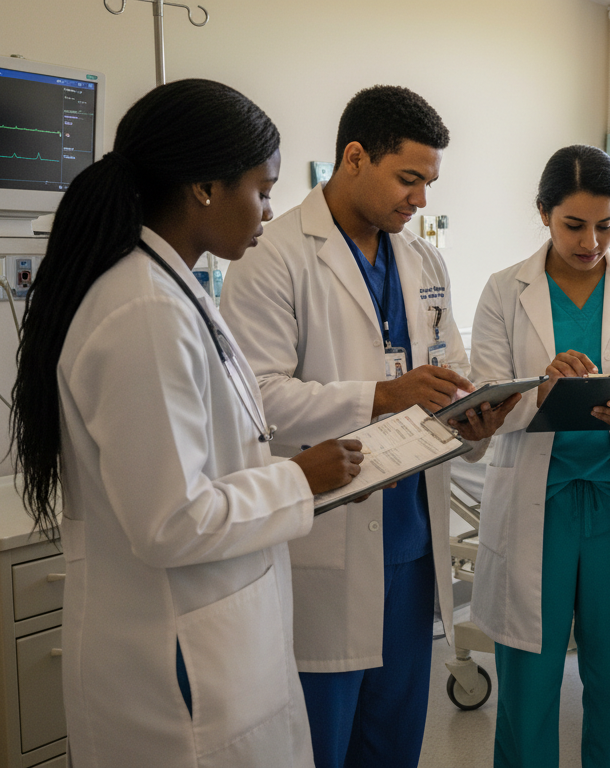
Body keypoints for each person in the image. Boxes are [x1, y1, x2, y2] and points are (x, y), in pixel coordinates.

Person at [9, 79, 368, 768]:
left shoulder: (175, 290)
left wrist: (296, 478)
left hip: (213, 640)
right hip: (175, 666)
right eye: (261, 191)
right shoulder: (144, 311)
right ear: (204, 187)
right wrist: (298, 478)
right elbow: (172, 520)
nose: (268, 211)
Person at [218, 85, 516, 768]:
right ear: (354, 158)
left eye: (428, 183)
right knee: (322, 737)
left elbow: (450, 371)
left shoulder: (423, 260)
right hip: (324, 535)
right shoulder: (275, 255)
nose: (421, 201)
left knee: (395, 736)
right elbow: (256, 398)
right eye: (408, 179)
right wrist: (380, 396)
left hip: (410, 540)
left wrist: (474, 419)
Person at [469, 145, 610, 768]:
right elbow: (484, 397)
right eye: (574, 225)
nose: (591, 241)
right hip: (537, 505)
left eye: (605, 225)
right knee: (528, 687)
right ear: (543, 213)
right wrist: (540, 389)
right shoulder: (504, 290)